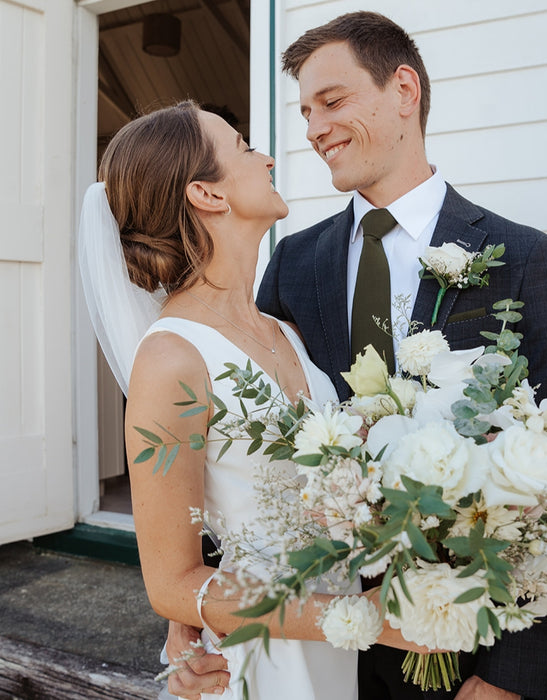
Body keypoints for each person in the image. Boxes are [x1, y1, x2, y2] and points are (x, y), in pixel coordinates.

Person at [165, 11, 547, 700]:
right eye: (304, 111)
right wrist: (197, 612)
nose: (312, 128)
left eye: (331, 101)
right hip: (309, 638)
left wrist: (510, 679)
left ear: (404, 90)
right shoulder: (295, 262)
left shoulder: (520, 259)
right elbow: (242, 445)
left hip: (454, 646)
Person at [78, 100, 424, 700]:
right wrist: (368, 619)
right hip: (256, 663)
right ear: (207, 195)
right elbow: (171, 583)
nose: (265, 157)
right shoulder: (171, 359)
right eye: (242, 147)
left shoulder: (284, 330)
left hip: (333, 657)